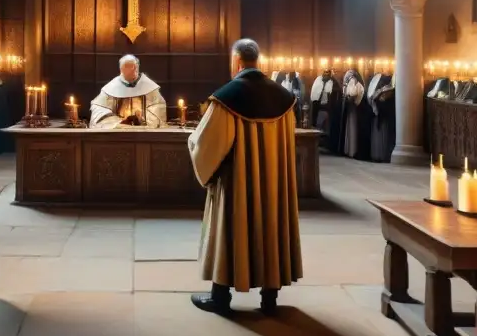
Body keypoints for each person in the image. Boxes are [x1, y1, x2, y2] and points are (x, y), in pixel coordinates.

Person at [188, 38, 303, 316]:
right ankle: (269, 299)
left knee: (229, 227)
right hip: (274, 183)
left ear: (237, 62)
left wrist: (193, 143)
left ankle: (220, 297)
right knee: (272, 226)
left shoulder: (227, 98)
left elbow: (205, 143)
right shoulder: (284, 98)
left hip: (237, 182)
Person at [90, 54, 167, 128]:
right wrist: (118, 122)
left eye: (134, 67)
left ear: (137, 68)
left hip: (144, 131)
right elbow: (99, 109)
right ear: (121, 69)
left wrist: (142, 120)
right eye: (127, 67)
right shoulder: (111, 88)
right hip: (118, 131)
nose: (132, 70)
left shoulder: (150, 87)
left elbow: (158, 107)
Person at [340, 68, 371, 160]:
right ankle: (351, 149)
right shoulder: (356, 80)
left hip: (354, 109)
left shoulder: (353, 80)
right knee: (352, 128)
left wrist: (346, 93)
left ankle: (351, 150)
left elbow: (352, 93)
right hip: (354, 108)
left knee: (352, 129)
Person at [310, 67, 343, 153]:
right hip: (319, 108)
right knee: (318, 126)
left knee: (327, 128)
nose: (326, 75)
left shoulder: (333, 82)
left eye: (328, 74)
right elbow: (315, 93)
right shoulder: (318, 81)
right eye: (324, 73)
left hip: (328, 109)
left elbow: (337, 92)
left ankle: (327, 145)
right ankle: (317, 144)